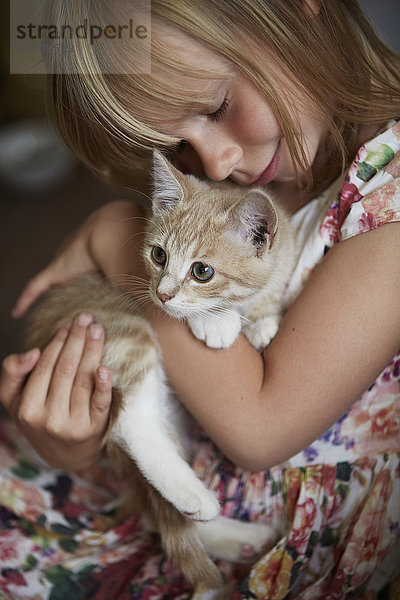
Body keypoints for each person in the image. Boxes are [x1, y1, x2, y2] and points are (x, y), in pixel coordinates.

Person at [1, 1, 400, 597]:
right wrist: (78, 443)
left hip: (275, 534)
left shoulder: (388, 211)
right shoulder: (256, 177)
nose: (214, 163)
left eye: (217, 107)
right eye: (175, 145)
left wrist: (116, 232)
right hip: (159, 468)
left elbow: (259, 430)